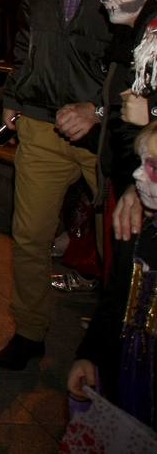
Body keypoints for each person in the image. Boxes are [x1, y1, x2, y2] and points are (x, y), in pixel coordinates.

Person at [0, 0, 129, 371]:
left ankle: (112, 339)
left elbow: (144, 56)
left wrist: (99, 108)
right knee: (29, 235)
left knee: (117, 240)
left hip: (110, 130)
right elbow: (28, 34)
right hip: (40, 119)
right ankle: (29, 331)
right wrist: (15, 91)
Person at [67, 121, 157, 428]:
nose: (137, 175)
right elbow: (115, 298)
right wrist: (90, 354)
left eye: (152, 167)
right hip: (129, 370)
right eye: (141, 163)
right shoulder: (137, 233)